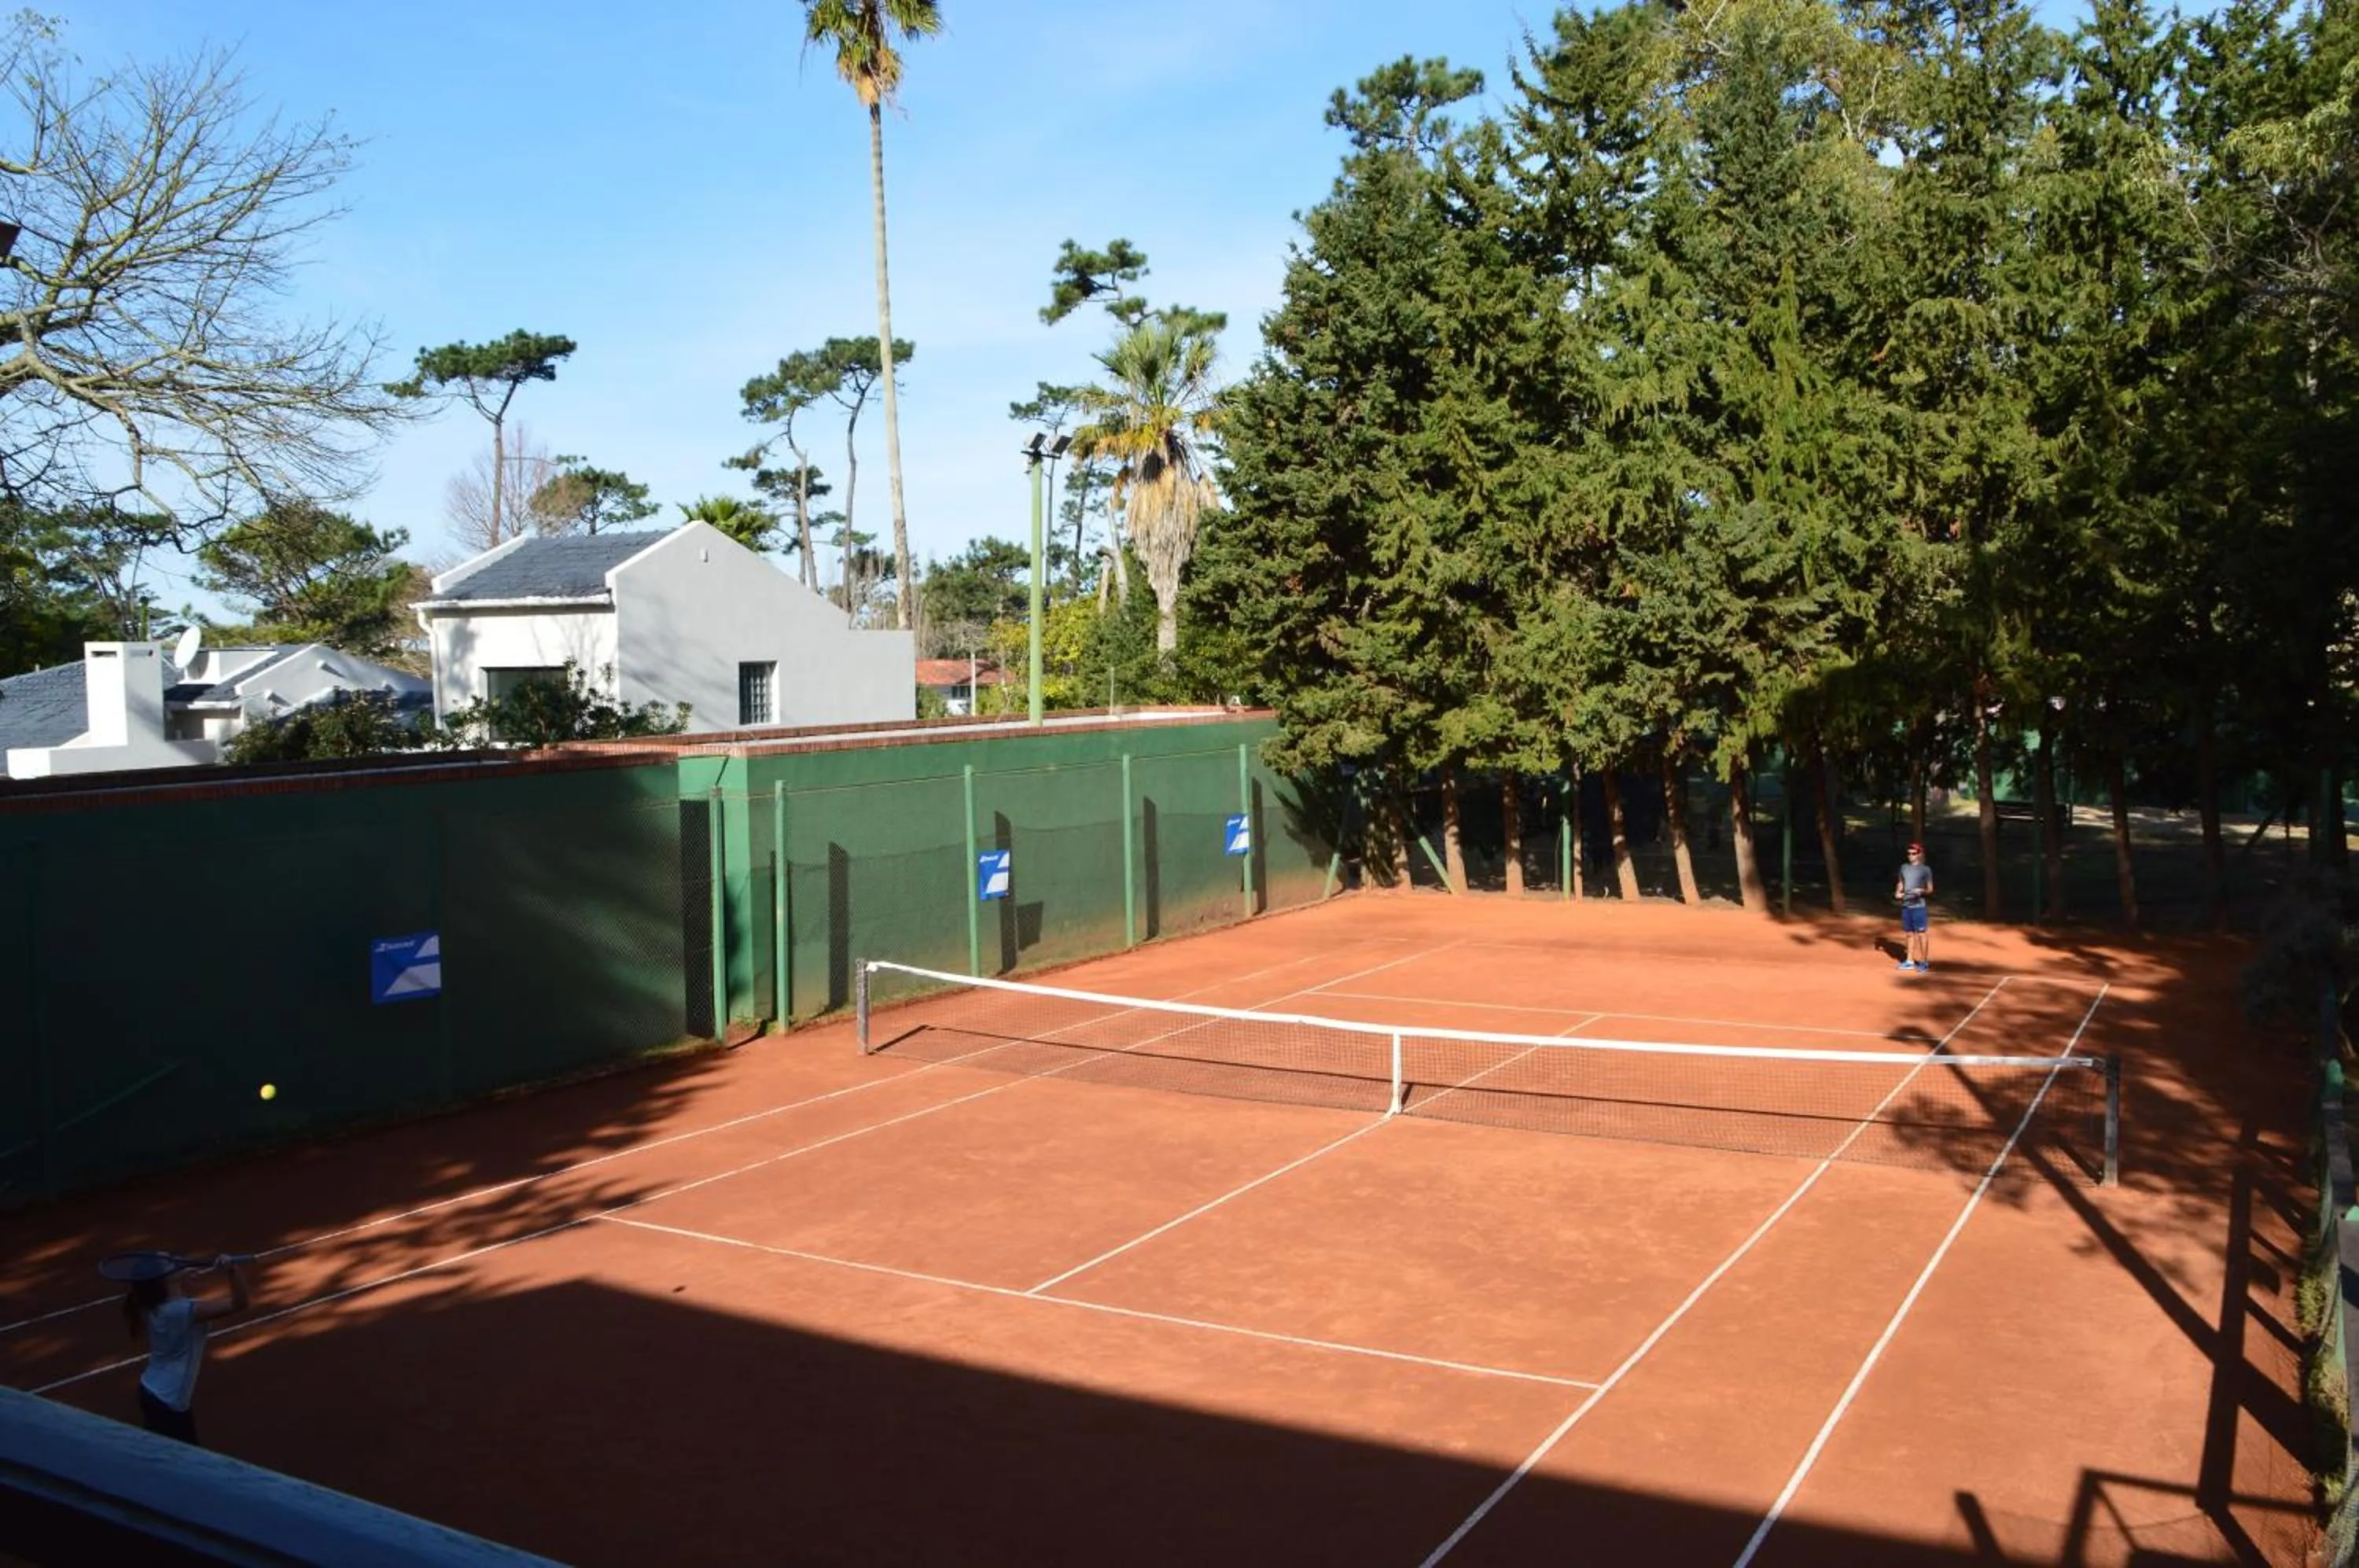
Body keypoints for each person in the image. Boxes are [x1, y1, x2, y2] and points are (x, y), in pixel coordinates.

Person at [121, 1255, 248, 1445]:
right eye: (170, 1262)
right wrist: (232, 1271)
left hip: (153, 1392)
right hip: (168, 1401)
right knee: (185, 1456)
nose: (176, 1261)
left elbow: (173, 1296)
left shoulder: (152, 1305)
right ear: (164, 1279)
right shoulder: (180, 1311)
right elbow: (239, 1303)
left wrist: (180, 1280)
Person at [1894, 841, 1934, 973]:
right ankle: (1909, 961)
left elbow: (1930, 889)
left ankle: (1924, 962)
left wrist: (1921, 891)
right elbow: (1901, 883)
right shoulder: (1904, 867)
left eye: (1913, 853)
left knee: (1921, 934)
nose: (1910, 856)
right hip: (1906, 906)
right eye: (1909, 853)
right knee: (1909, 934)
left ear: (1919, 854)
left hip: (1919, 906)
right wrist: (1898, 892)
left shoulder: (1925, 870)